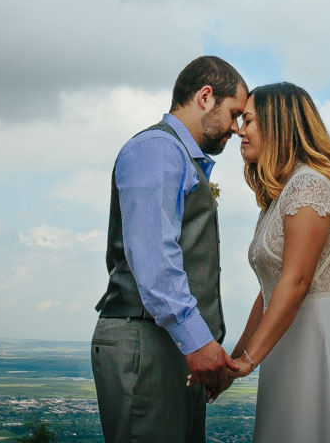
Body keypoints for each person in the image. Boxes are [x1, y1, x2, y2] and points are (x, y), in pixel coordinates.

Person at [222, 82, 330, 442]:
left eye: (248, 121)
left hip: (325, 345)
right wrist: (235, 360)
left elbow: (296, 282)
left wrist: (251, 360)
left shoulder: (309, 187)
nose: (239, 129)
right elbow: (270, 290)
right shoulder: (279, 197)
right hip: (289, 348)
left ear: (277, 125)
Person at [91, 55, 248, 443]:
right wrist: (197, 340)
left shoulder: (176, 154)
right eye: (234, 113)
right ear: (205, 97)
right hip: (146, 343)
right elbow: (154, 257)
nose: (237, 128)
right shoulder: (158, 149)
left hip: (168, 344)